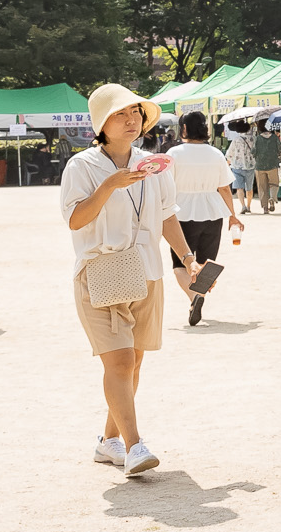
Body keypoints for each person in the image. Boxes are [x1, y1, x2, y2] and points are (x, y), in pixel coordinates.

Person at [62, 84, 200, 478]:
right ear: (101, 123)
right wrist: (109, 186)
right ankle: (135, 445)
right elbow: (74, 220)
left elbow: (167, 214)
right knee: (120, 360)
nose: (131, 120)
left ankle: (108, 442)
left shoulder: (152, 164)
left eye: (136, 113)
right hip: (100, 268)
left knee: (134, 361)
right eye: (121, 114)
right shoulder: (82, 166)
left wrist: (187, 258)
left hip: (147, 271)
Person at [166, 111, 241, 326]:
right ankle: (199, 295)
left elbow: (166, 186)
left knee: (181, 263)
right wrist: (233, 216)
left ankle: (194, 296)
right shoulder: (216, 154)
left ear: (185, 129)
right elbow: (225, 188)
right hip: (212, 211)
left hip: (182, 212)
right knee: (208, 262)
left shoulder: (174, 153)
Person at [252, 125, 281, 214]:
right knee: (274, 183)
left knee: (262, 187)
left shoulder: (257, 138)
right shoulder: (274, 137)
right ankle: (272, 198)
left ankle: (265, 208)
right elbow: (280, 148)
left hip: (259, 166)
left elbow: (253, 151)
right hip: (273, 164)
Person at [226, 120, 255, 214]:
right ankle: (249, 206)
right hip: (250, 166)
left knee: (239, 188)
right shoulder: (253, 139)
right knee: (249, 188)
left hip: (237, 166)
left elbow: (230, 154)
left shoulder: (236, 140)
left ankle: (243, 206)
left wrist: (227, 163)